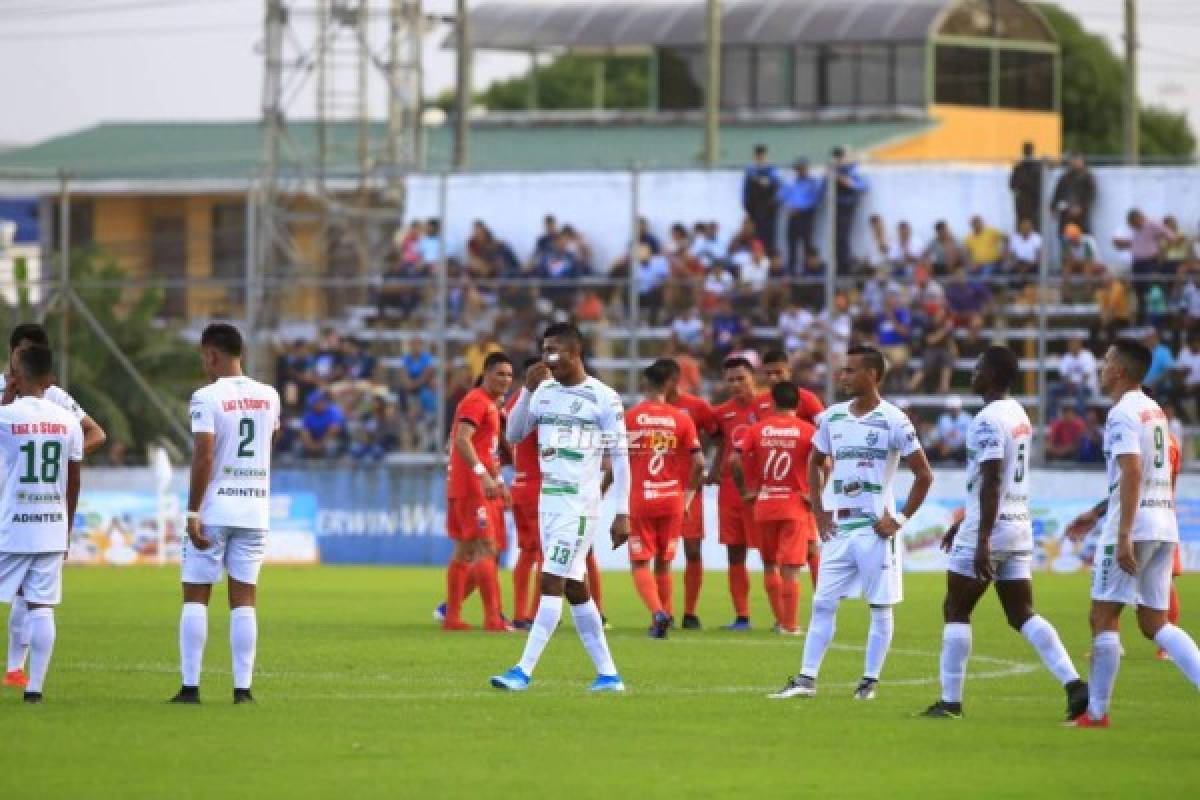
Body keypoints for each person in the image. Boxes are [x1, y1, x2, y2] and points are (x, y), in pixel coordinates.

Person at [920, 346, 1087, 720]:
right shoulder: (1018, 414)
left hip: (991, 530)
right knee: (1021, 612)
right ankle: (1074, 684)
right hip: (1018, 525)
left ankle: (950, 702)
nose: (973, 374)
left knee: (956, 608)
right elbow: (999, 478)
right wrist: (965, 522)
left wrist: (979, 537)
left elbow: (993, 478)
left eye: (978, 368)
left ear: (992, 375)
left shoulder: (985, 419)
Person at [769, 346, 933, 701]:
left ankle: (869, 682)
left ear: (872, 375)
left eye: (849, 371)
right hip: (839, 528)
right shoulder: (832, 418)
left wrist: (899, 519)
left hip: (876, 528)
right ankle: (806, 679)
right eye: (842, 371)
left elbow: (924, 475)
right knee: (823, 603)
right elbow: (815, 461)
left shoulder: (894, 420)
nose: (841, 377)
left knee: (879, 606)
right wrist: (818, 508)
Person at [1064, 340, 1200, 727]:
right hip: (1163, 523)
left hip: (1135, 526)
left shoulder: (1122, 413)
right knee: (1156, 624)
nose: (1100, 367)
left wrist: (1122, 534)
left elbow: (1133, 471)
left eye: (1106, 361)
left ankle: (1096, 714)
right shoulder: (1153, 411)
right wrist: (1095, 513)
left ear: (1120, 371)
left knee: (1103, 616)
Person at [491, 323, 629, 693]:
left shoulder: (603, 397)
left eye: (555, 351)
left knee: (550, 580)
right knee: (573, 587)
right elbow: (515, 435)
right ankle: (608, 674)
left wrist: (623, 511)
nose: (548, 358)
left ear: (575, 353)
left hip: (580, 505)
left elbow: (620, 455)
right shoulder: (543, 392)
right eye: (544, 350)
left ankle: (522, 670)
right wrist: (525, 394)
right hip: (548, 502)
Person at [172, 323, 280, 705]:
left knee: (196, 597)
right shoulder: (270, 396)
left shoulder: (206, 397)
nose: (204, 364)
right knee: (245, 599)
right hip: (254, 509)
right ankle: (243, 690)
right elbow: (269, 442)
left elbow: (203, 454)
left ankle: (190, 687)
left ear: (212, 355)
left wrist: (192, 511)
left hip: (215, 508)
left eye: (204, 357)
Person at [2, 323, 106, 690]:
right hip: (41, 514)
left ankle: (17, 668)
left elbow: (96, 434)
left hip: (20, 508)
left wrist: (59, 459)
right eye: (22, 350)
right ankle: (27, 681)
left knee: (29, 597)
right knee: (36, 599)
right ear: (12, 353)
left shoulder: (55, 398)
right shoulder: (9, 392)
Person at [622, 360, 704, 638]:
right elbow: (700, 463)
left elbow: (616, 464)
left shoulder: (630, 418)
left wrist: (604, 489)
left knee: (640, 561)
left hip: (641, 498)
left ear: (645, 383)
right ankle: (664, 616)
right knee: (665, 562)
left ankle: (657, 613)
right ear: (669, 384)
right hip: (672, 498)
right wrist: (688, 498)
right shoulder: (681, 418)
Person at [734, 382, 817, 635]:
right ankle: (791, 625)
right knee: (791, 567)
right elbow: (824, 463)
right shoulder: (808, 430)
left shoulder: (757, 429)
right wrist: (815, 493)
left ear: (772, 402)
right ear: (798, 404)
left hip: (765, 503)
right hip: (794, 504)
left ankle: (780, 620)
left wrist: (745, 490)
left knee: (770, 564)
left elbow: (734, 459)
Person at [442, 352, 513, 632]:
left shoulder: (491, 405)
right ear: (485, 374)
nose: (505, 380)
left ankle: (452, 618)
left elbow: (489, 450)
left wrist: (500, 482)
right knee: (486, 549)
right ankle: (493, 619)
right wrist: (482, 476)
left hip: (476, 484)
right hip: (472, 486)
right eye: (499, 374)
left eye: (509, 375)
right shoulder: (475, 401)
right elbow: (462, 440)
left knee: (465, 551)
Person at [709, 357, 774, 630]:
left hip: (762, 491)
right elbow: (720, 445)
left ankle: (783, 618)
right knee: (735, 554)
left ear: (753, 378)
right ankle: (742, 616)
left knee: (770, 556)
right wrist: (712, 471)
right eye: (731, 380)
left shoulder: (770, 407)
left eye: (741, 379)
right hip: (731, 492)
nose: (736, 385)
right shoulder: (722, 412)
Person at [665, 359, 720, 629]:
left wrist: (711, 465)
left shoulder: (696, 407)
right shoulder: (651, 409)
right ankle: (664, 611)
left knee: (692, 549)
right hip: (658, 487)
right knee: (662, 552)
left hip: (688, 488)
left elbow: (719, 435)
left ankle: (690, 612)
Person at [505, 358, 544, 630]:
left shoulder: (517, 400)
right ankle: (533, 614)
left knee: (527, 552)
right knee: (546, 555)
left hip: (520, 484)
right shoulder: (547, 399)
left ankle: (520, 614)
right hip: (542, 486)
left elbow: (507, 432)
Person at [780, 158, 824, 273]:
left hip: (806, 215)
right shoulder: (792, 182)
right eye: (798, 169)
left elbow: (815, 198)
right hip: (793, 215)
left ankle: (808, 270)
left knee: (807, 244)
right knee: (792, 244)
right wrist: (790, 206)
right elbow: (782, 195)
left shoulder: (813, 182)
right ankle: (792, 271)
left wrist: (801, 208)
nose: (800, 171)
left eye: (802, 169)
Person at [742, 144, 782, 257]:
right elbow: (746, 191)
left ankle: (768, 260)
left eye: (762, 155)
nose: (760, 158)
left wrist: (763, 182)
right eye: (758, 155)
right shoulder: (750, 170)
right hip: (754, 209)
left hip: (769, 210)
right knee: (756, 238)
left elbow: (774, 184)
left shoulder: (772, 169)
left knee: (769, 237)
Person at [831, 146, 867, 270]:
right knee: (836, 238)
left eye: (841, 156)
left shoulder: (852, 171)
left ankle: (845, 264)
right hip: (835, 208)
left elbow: (863, 186)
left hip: (847, 206)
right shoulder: (834, 171)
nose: (838, 160)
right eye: (837, 157)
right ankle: (839, 265)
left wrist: (848, 183)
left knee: (843, 236)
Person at [1051, 153, 1096, 233]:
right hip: (1065, 216)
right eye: (1073, 160)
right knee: (1065, 238)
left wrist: (1081, 207)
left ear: (1082, 162)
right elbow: (1057, 194)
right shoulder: (1064, 178)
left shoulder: (1087, 177)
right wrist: (1053, 207)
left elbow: (1090, 195)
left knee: (1081, 239)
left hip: (1080, 217)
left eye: (1077, 160)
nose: (1074, 163)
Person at [1009, 142, 1042, 232]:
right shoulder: (1018, 168)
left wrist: (1028, 184)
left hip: (1034, 202)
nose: (1028, 153)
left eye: (1029, 150)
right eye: (1026, 150)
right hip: (1022, 203)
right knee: (1021, 225)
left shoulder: (1038, 167)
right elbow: (1012, 185)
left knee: (1035, 226)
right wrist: (1021, 184)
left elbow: (1040, 184)